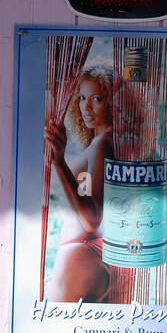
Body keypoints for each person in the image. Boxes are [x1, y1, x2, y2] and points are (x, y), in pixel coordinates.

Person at [44, 65, 116, 302]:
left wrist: (59, 163)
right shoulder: (105, 141)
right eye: (82, 98)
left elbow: (93, 218)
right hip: (88, 254)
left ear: (113, 102)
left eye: (96, 98)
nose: (86, 107)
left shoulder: (102, 144)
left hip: (81, 256)